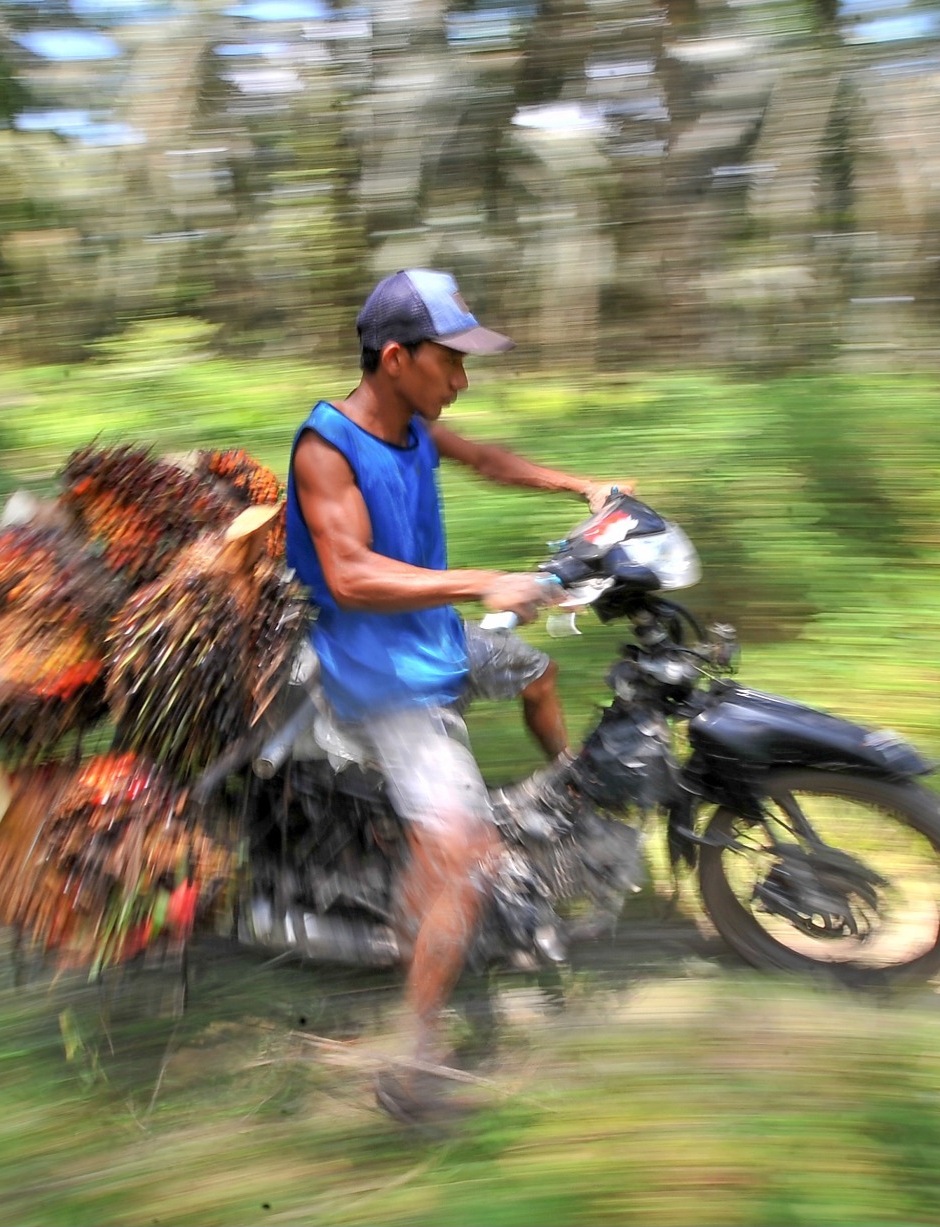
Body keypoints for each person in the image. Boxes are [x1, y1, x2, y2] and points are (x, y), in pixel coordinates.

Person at [282, 269, 634, 1125]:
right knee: (464, 854)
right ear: (396, 357)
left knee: (536, 670)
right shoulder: (327, 447)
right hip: (383, 678)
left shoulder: (410, 427)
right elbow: (352, 575)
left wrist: (582, 488)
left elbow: (485, 458)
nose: (463, 380)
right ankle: (414, 1050)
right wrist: (485, 581)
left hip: (433, 644)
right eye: (452, 362)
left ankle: (570, 796)